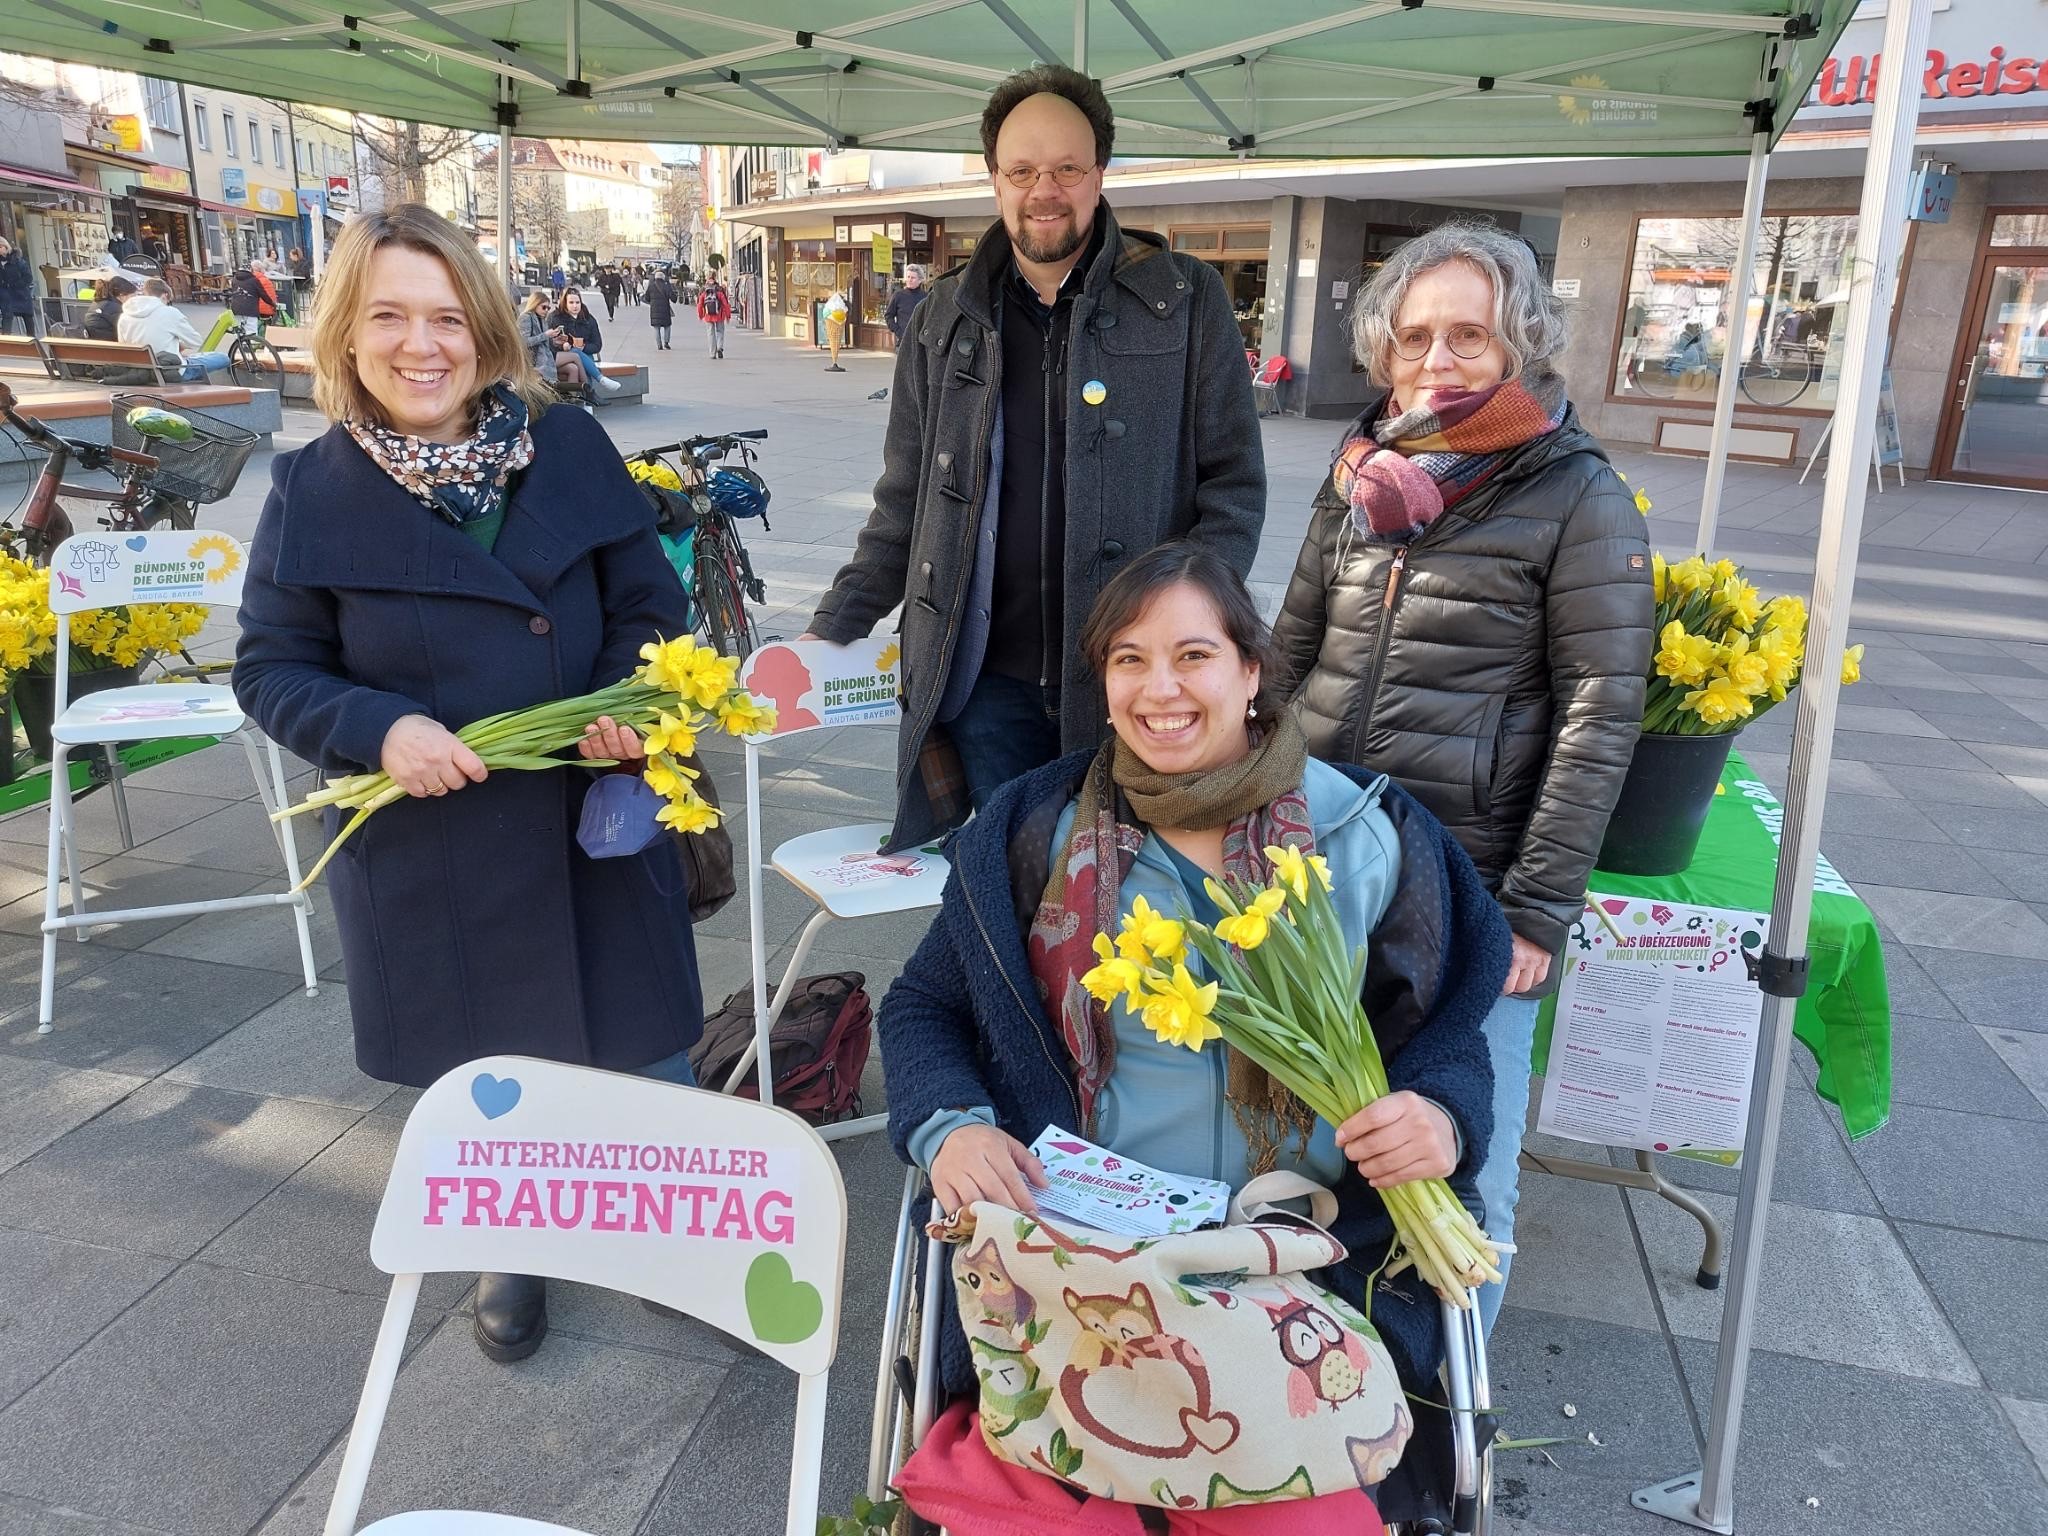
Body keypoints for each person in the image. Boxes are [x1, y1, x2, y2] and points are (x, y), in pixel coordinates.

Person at [879, 545, 1508, 1521]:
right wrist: (948, 1127)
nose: (1157, 688)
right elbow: (923, 1005)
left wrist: (1437, 1114)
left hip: (1306, 1262)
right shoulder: (1035, 832)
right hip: (1084, 1256)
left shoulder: (1362, 834)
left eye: (1192, 655)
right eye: (1127, 660)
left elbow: (1447, 1033)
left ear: (1250, 671)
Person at [233, 203, 706, 1367]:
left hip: (589, 815)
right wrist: (378, 725)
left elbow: (651, 608)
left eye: (447, 316)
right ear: (347, 334)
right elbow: (270, 667)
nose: (420, 344)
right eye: (388, 315)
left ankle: (675, 1241)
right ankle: (517, 1237)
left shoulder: (573, 447)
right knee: (494, 1065)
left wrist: (618, 703)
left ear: (487, 331)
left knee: (644, 1049)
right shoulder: (312, 488)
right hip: (441, 845)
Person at [1270, 220, 1653, 1335]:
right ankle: (1319, 1355)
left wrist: (1534, 908)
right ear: (1384, 351)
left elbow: (1599, 710)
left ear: (1518, 347)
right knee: (1320, 1119)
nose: (1437, 361)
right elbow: (1289, 649)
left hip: (1469, 881)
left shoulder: (1575, 492)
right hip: (1323, 856)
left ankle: (1450, 1399)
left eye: (1467, 336)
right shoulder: (1361, 475)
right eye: (1416, 337)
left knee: (1455, 1141)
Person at [799, 65, 1265, 853]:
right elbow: (905, 500)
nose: (1044, 189)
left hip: (1135, 684)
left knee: (1139, 900)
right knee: (1013, 896)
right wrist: (832, 627)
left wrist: (1182, 637)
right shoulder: (943, 317)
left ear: (1100, 174)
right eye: (1022, 171)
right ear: (994, 180)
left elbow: (1235, 488)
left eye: (1067, 169)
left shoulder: (1186, 299)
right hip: (984, 688)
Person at [117, 278, 230, 380]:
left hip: (142, 372)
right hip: (173, 371)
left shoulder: (124, 316)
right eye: (168, 301)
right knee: (222, 357)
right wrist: (180, 346)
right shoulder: (169, 312)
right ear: (164, 296)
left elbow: (124, 346)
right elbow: (196, 341)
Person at [547, 288, 620, 396]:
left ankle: (587, 401)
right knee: (577, 356)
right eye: (571, 302)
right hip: (560, 355)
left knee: (582, 358)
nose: (575, 306)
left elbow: (597, 345)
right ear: (564, 303)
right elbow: (549, 342)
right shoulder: (555, 318)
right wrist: (562, 346)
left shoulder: (589, 319)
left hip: (584, 353)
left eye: (577, 302)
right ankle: (598, 383)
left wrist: (584, 347)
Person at [519, 288, 588, 399]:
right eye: (543, 307)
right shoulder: (526, 318)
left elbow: (545, 344)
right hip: (534, 361)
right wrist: (546, 335)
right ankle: (588, 390)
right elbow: (523, 342)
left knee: (573, 368)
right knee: (575, 355)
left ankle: (572, 399)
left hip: (546, 358)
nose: (546, 310)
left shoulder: (542, 319)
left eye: (548, 307)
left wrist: (556, 341)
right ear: (534, 304)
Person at [82, 275, 136, 343]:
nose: (134, 300)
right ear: (122, 295)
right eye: (132, 297)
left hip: (97, 345)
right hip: (109, 348)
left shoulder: (99, 303)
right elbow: (129, 330)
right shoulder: (114, 308)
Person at [883, 264, 928, 343]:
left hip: (920, 341)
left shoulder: (926, 297)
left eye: (913, 278)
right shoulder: (898, 295)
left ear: (920, 280)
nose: (910, 280)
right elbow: (888, 315)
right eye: (908, 277)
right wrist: (897, 331)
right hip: (902, 340)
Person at [0, 237, 35, 337]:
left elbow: (28, 277)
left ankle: (32, 342)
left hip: (21, 294)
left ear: (6, 247)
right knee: (7, 315)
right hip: (6, 297)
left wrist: (16, 285)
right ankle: (6, 342)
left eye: (0, 246)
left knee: (27, 316)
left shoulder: (18, 261)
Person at [697, 274, 729, 359]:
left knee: (710, 334)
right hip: (719, 315)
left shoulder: (704, 292)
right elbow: (725, 304)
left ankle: (712, 354)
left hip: (708, 316)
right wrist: (728, 316)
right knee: (720, 331)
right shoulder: (719, 291)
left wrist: (700, 315)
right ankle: (719, 347)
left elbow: (700, 305)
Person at [645, 266, 675, 351]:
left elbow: (647, 298)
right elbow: (673, 297)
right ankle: (666, 342)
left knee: (656, 327)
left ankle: (659, 345)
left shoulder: (651, 286)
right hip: (665, 309)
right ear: (663, 278)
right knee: (667, 326)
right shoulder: (666, 286)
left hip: (654, 310)